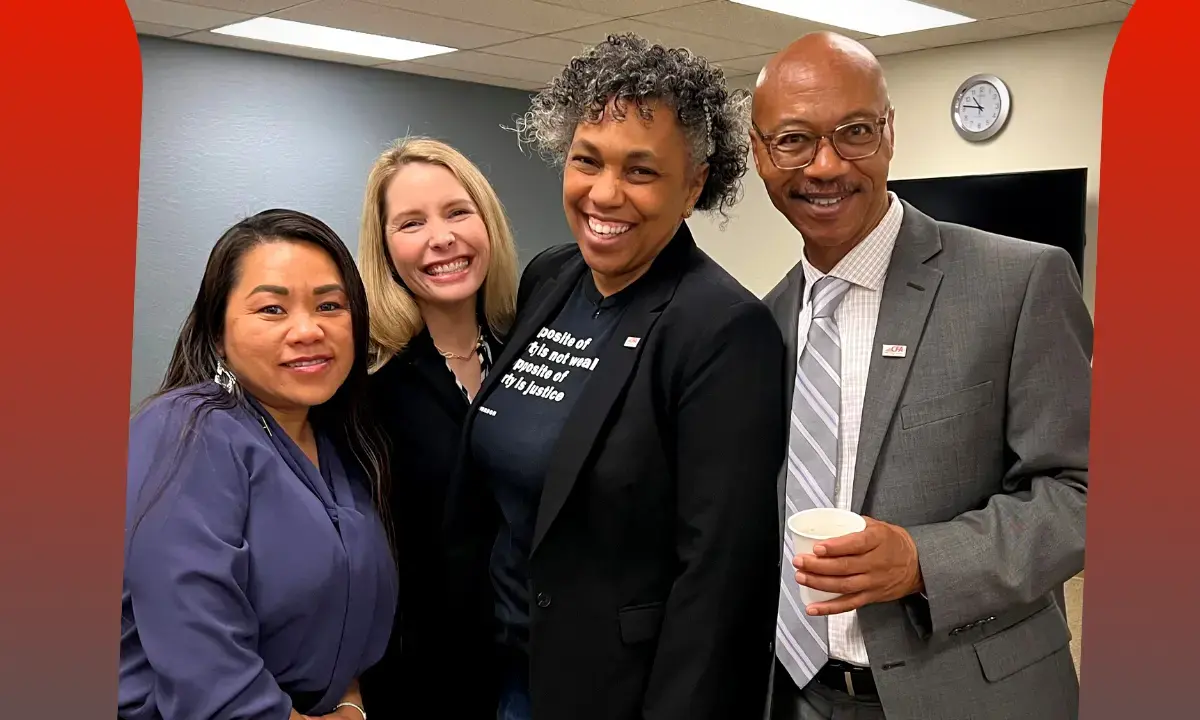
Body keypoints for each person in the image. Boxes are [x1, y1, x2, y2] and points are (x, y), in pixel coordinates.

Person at [443, 32, 789, 720]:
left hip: (612, 692)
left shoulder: (721, 330)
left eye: (640, 171)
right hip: (502, 665)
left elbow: (719, 582)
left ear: (693, 185)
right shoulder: (551, 277)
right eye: (586, 160)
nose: (605, 193)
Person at [752, 32, 1091, 720]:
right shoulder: (760, 325)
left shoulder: (1019, 281)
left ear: (889, 134)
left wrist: (923, 560)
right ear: (759, 152)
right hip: (794, 696)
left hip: (972, 696)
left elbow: (1087, 493)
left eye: (853, 132)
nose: (824, 165)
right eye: (792, 140)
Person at [119, 209, 398, 720]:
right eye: (272, 309)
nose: (308, 330)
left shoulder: (340, 445)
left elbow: (349, 617)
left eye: (330, 305)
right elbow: (199, 654)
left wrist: (351, 706)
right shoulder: (187, 430)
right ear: (218, 334)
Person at [353, 136, 519, 717]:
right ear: (385, 249)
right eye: (411, 223)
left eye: (457, 212)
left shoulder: (530, 354)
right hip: (419, 683)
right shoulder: (363, 386)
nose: (441, 238)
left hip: (529, 669)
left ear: (487, 222)